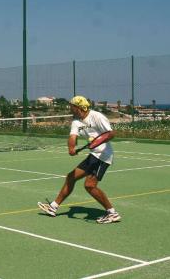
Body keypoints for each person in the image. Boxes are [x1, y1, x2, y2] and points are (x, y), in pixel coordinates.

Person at [37, 96, 120, 224]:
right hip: (93, 155)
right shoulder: (76, 121)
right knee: (71, 177)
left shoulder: (96, 116)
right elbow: (72, 136)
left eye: (72, 107)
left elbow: (111, 133)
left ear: (80, 107)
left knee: (89, 186)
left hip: (103, 155)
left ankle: (112, 213)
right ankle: (53, 207)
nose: (70, 109)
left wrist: (96, 143)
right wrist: (71, 148)